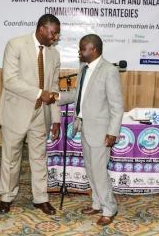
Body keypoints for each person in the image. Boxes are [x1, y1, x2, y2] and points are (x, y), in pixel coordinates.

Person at [55, 34, 123, 226]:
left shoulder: (109, 70)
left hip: (102, 132)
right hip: (84, 128)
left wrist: (112, 132)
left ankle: (109, 208)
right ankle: (96, 203)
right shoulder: (84, 68)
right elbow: (78, 96)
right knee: (91, 170)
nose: (79, 52)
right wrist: (56, 96)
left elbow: (117, 106)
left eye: (82, 48)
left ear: (93, 50)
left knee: (99, 172)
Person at [0, 14, 61, 215]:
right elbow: (10, 80)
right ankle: (6, 196)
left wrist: (56, 118)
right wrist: (39, 93)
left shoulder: (54, 54)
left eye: (57, 34)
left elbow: (54, 87)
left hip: (41, 115)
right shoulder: (15, 45)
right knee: (11, 158)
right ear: (42, 29)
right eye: (53, 33)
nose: (55, 37)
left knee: (39, 158)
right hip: (16, 112)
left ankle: (41, 198)